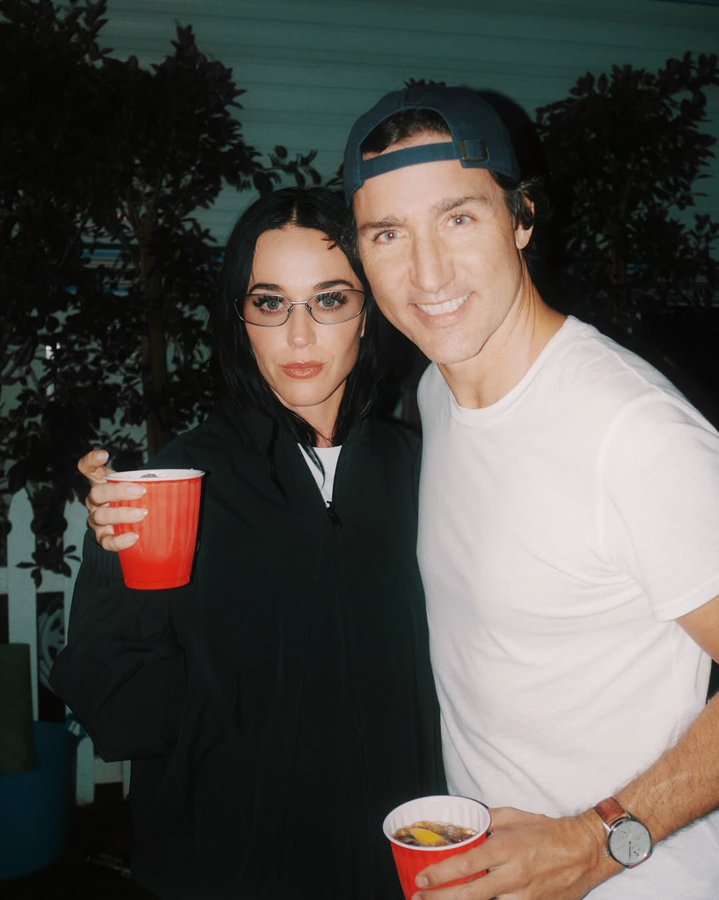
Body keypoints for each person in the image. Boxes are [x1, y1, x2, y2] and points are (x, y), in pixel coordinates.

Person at [341, 84, 719, 898]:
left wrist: (595, 842)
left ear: (521, 219)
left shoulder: (634, 434)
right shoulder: (436, 392)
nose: (427, 273)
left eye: (458, 218)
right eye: (388, 234)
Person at [50, 186, 445, 900]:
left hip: (402, 862)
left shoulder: (424, 469)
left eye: (330, 300)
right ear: (240, 320)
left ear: (369, 313)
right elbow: (126, 716)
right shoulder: (182, 482)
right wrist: (115, 558)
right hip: (229, 870)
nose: (299, 336)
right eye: (270, 303)